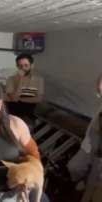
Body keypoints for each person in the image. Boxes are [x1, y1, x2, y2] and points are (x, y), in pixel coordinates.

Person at [68, 73, 102, 202]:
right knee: (74, 167)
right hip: (89, 145)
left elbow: (32, 98)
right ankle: (83, 179)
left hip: (99, 152)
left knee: (93, 184)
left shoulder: (35, 81)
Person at [5, 53, 44, 126]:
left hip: (28, 116)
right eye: (20, 66)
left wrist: (20, 99)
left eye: (26, 65)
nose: (23, 68)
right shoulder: (11, 79)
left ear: (31, 66)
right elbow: (13, 98)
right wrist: (20, 80)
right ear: (17, 66)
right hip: (12, 115)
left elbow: (38, 99)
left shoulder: (38, 80)